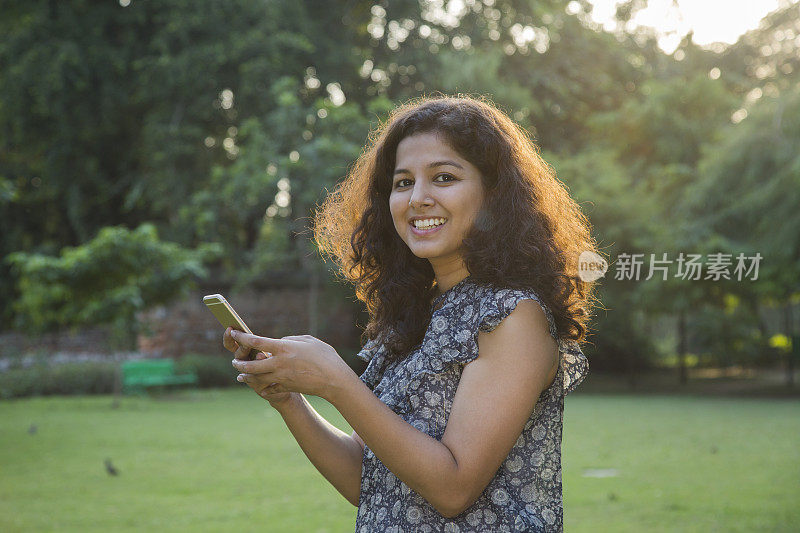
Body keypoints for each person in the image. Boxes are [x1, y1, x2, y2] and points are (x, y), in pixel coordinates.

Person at [223, 95, 599, 532]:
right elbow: (368, 482)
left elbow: (453, 490)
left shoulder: (513, 316)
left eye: (443, 177)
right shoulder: (414, 317)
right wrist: (289, 401)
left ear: (494, 194)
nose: (418, 198)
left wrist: (336, 381)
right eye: (403, 183)